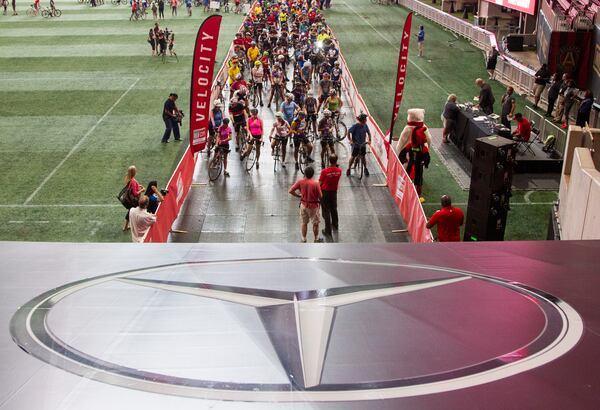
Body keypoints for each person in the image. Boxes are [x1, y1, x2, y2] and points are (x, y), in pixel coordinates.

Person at [395, 109, 432, 197]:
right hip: (420, 158)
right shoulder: (424, 128)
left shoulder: (408, 129)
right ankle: (417, 193)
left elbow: (400, 144)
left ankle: (406, 187)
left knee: (407, 170)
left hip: (409, 156)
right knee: (419, 175)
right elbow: (429, 140)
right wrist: (426, 161)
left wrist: (399, 154)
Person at [289, 166, 323, 243]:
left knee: (304, 223)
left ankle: (304, 238)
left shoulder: (300, 182)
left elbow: (290, 190)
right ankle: (316, 238)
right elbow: (320, 196)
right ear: (312, 174)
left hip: (303, 205)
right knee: (315, 223)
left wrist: (298, 195)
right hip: (314, 207)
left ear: (304, 173)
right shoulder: (316, 183)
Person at [319, 154, 341, 237]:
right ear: (336, 160)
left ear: (329, 160)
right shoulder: (339, 171)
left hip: (325, 192)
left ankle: (328, 230)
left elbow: (320, 183)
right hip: (334, 192)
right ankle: (335, 224)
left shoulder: (324, 171)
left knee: (326, 211)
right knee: (334, 208)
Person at [123, 166, 145, 231]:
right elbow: (135, 193)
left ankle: (126, 226)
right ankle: (138, 225)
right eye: (135, 170)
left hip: (130, 200)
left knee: (130, 211)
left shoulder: (129, 179)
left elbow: (132, 189)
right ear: (133, 172)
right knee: (139, 210)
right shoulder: (133, 181)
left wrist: (138, 186)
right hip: (134, 200)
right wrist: (142, 190)